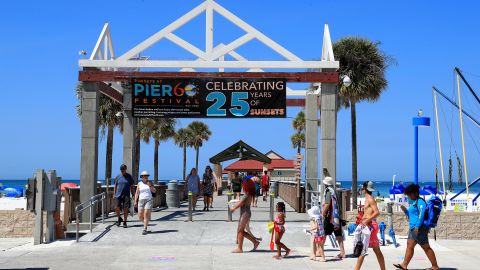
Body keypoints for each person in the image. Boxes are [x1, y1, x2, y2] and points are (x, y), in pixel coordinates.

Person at [394, 184, 439, 270]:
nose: (409, 196)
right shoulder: (414, 202)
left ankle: (435, 266)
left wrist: (417, 227)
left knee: (426, 247)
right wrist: (405, 211)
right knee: (410, 246)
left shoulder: (420, 202)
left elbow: (421, 215)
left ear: (415, 193)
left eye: (410, 194)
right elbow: (412, 215)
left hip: (420, 229)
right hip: (413, 229)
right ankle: (404, 265)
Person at [354, 181, 386, 270]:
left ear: (364, 189)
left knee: (362, 249)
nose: (361, 190)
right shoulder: (367, 198)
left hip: (369, 226)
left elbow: (377, 212)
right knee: (376, 250)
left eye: (362, 188)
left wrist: (366, 220)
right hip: (370, 225)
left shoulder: (370, 199)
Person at [230, 179, 260, 253]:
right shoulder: (249, 193)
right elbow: (241, 202)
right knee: (241, 231)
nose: (242, 186)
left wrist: (233, 208)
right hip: (246, 213)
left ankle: (240, 248)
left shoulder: (246, 194)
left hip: (245, 214)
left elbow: (241, 203)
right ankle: (254, 242)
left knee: (240, 231)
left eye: (243, 185)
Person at [322, 176, 345, 259]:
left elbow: (327, 204)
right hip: (336, 216)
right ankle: (343, 253)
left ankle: (320, 252)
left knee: (324, 233)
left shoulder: (328, 191)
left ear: (326, 184)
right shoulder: (334, 191)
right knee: (338, 234)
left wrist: (322, 214)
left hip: (330, 217)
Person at [134, 171, 156, 235]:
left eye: (147, 176)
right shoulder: (139, 183)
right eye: (144, 176)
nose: (146, 177)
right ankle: (146, 222)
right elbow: (137, 193)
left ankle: (145, 228)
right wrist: (135, 201)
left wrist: (150, 186)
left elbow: (154, 191)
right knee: (140, 216)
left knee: (146, 213)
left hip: (149, 200)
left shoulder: (150, 183)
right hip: (141, 200)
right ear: (142, 177)